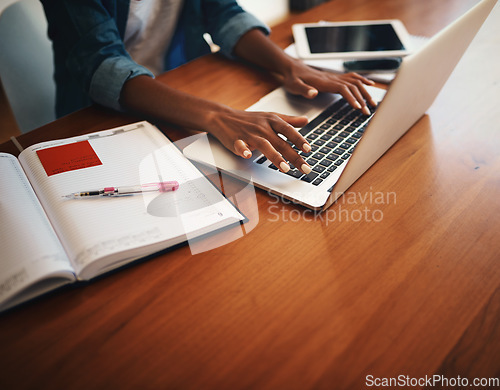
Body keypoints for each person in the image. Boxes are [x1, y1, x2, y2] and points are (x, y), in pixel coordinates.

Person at [41, 0, 376, 175]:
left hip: (182, 89)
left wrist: (291, 67)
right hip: (100, 114)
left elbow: (224, 13)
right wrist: (218, 117)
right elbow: (101, 64)